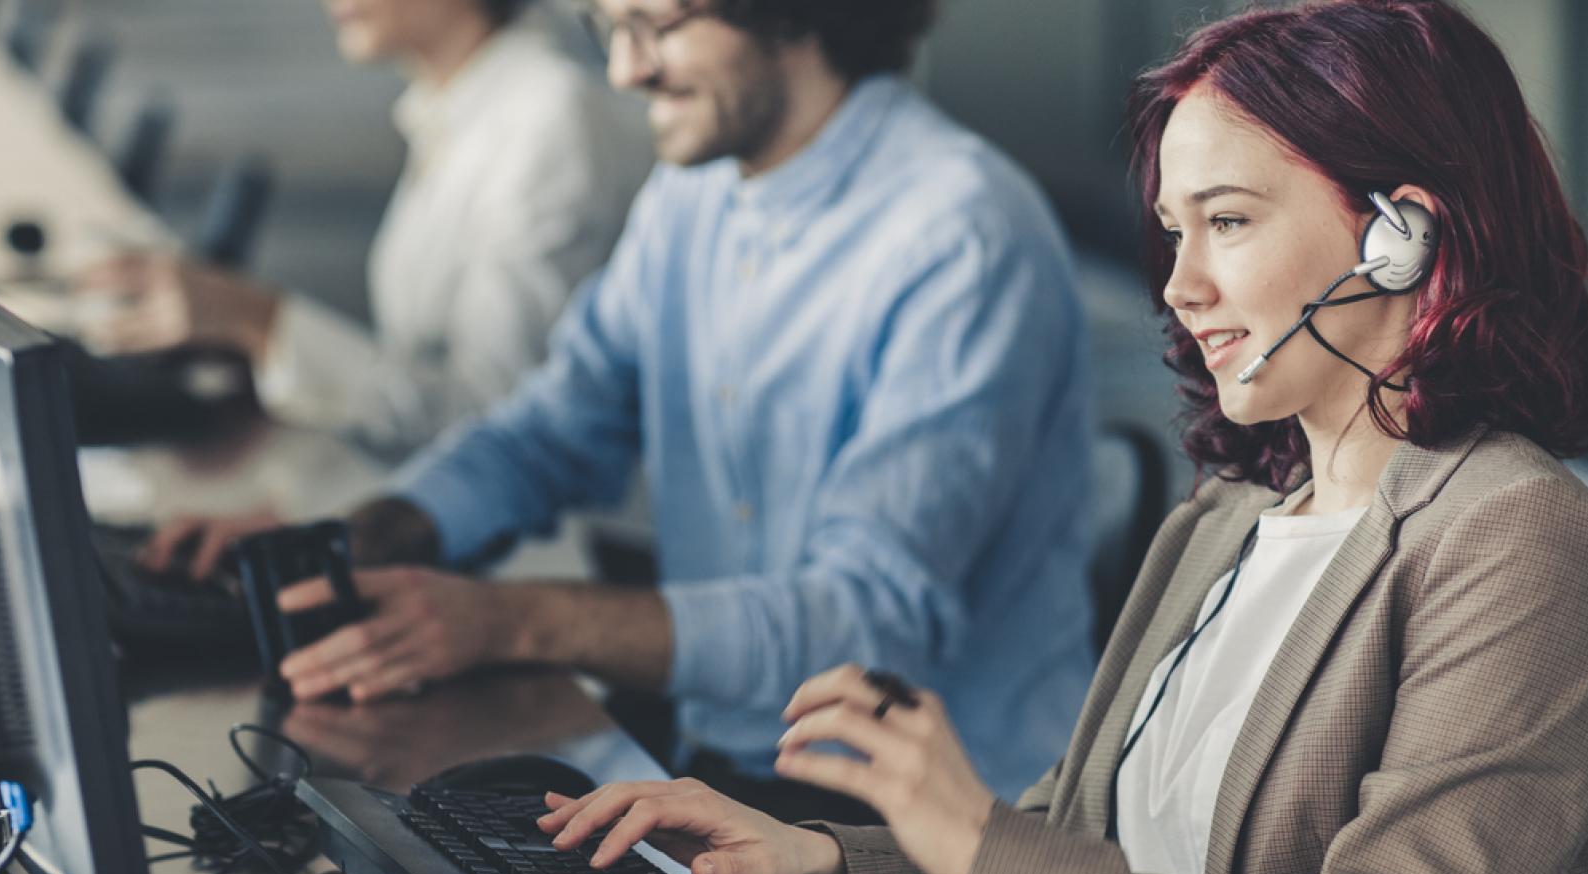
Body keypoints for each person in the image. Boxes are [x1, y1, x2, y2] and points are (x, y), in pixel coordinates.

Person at [535, 1, 1588, 874]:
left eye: (1228, 221)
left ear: (1404, 234)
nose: (1179, 286)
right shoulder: (1224, 521)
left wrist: (972, 842)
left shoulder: (1519, 545)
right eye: (1173, 232)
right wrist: (809, 860)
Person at [147, 0, 1097, 815]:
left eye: (655, 22)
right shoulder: (695, 195)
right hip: (731, 762)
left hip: (930, 828)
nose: (626, 68)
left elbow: (864, 625)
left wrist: (513, 620)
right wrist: (360, 539)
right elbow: (552, 430)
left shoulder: (959, 234)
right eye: (606, 24)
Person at [78, 0, 652, 459]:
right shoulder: (453, 105)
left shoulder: (550, 120)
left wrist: (263, 324)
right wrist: (248, 343)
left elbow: (500, 426)